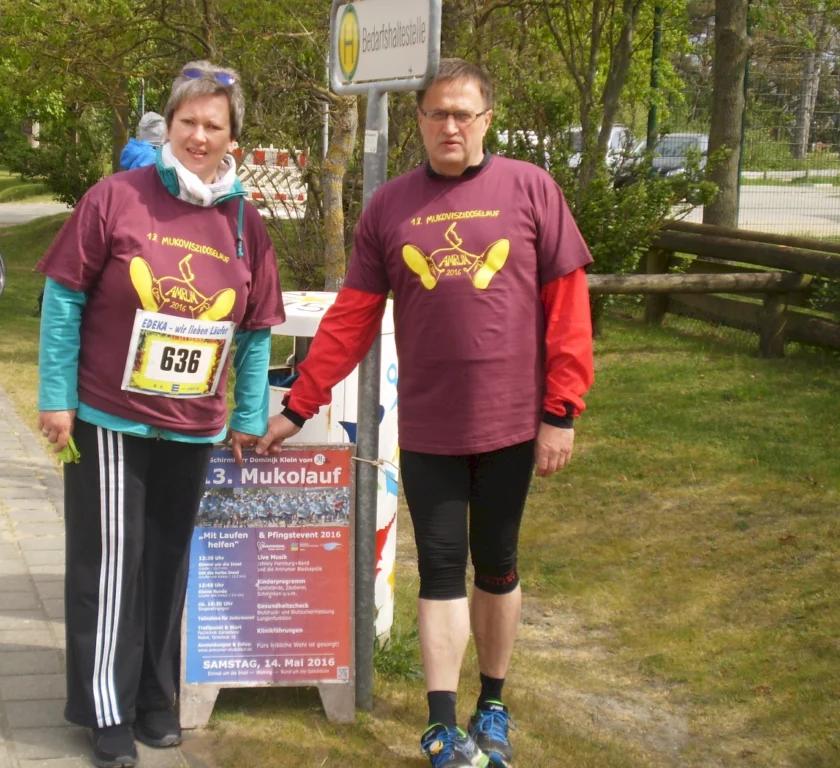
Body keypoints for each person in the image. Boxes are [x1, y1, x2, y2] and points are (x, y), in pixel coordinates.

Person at [256, 58, 595, 768]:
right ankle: (442, 725)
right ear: (418, 121)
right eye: (437, 113)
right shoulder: (390, 206)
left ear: (487, 120)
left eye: (463, 113)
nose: (450, 125)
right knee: (440, 566)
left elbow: (568, 308)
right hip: (431, 425)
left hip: (510, 421)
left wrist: (561, 411)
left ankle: (492, 705)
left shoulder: (531, 189)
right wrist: (299, 404)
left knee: (496, 563)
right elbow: (352, 317)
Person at [36, 60, 284, 768]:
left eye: (214, 126)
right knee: (112, 563)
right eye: (188, 122)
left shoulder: (244, 221)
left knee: (168, 562)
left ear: (233, 139)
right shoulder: (116, 198)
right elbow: (64, 298)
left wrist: (247, 414)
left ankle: (154, 695)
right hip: (111, 416)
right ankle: (105, 709)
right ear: (168, 127)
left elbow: (256, 329)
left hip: (193, 424)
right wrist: (56, 396)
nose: (199, 136)